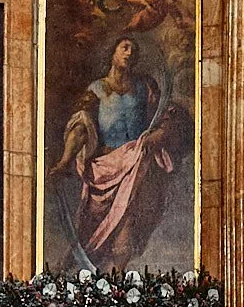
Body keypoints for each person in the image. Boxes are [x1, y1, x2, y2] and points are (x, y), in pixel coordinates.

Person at [50, 36, 185, 268]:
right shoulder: (96, 89)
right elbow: (80, 125)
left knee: (127, 223)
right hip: (105, 165)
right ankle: (80, 271)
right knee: (89, 224)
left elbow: (164, 116)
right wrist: (64, 162)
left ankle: (117, 282)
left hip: (135, 162)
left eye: (133, 49)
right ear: (112, 53)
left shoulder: (144, 87)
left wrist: (159, 134)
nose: (129, 53)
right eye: (124, 47)